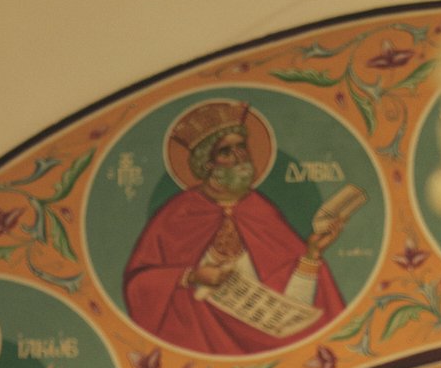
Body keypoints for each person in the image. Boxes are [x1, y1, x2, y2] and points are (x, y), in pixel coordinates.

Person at [122, 101, 353, 352]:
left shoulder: (260, 209)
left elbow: (293, 300)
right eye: (226, 152)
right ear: (207, 164)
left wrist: (311, 254)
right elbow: (139, 284)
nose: (240, 157)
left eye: (242, 147)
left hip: (267, 338)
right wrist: (191, 276)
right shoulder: (179, 213)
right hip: (201, 337)